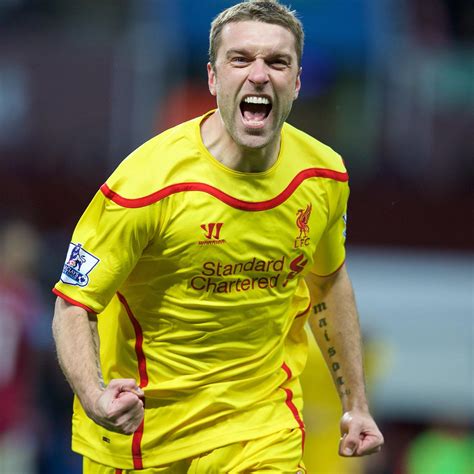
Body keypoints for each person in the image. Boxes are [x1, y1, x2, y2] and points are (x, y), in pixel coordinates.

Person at [52, 1, 384, 472]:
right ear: (212, 78)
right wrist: (93, 395)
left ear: (297, 81)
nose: (259, 75)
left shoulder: (323, 175)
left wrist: (355, 402)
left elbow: (328, 283)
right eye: (241, 59)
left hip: (261, 427)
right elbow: (75, 303)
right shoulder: (145, 185)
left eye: (277, 61)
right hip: (146, 433)